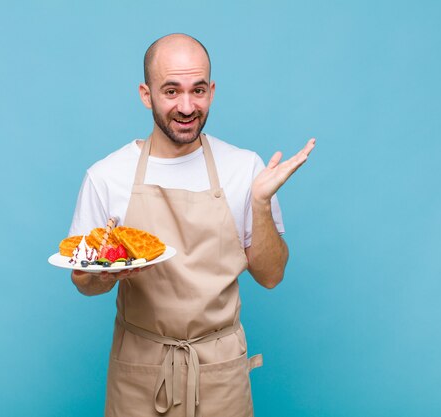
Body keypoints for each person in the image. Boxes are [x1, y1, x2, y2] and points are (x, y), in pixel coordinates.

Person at [67, 33, 315, 417]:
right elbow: (83, 282)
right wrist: (112, 270)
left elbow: (271, 276)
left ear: (211, 91)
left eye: (197, 90)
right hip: (141, 369)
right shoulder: (107, 176)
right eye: (171, 91)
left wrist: (261, 203)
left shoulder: (243, 168)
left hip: (219, 372)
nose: (187, 106)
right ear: (146, 94)